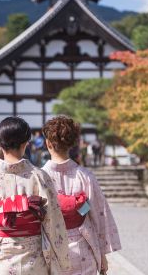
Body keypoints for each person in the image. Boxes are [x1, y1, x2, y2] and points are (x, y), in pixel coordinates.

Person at [0, 117, 70, 274]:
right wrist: (63, 261)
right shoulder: (40, 177)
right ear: (26, 143)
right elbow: (54, 222)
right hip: (35, 262)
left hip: (0, 260)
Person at [42, 116, 121, 275]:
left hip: (50, 249)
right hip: (83, 248)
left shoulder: (38, 178)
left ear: (48, 144)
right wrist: (102, 255)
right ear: (72, 144)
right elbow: (99, 214)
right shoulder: (85, 176)